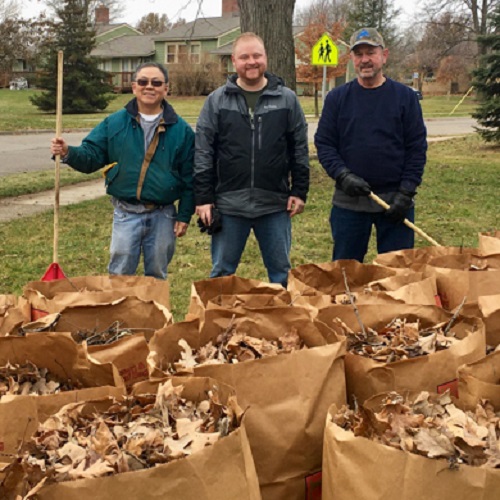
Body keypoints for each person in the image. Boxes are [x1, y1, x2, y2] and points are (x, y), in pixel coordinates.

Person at [50, 62, 194, 279]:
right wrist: (68, 151)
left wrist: (184, 215)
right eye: (143, 82)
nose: (149, 87)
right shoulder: (115, 123)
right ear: (134, 86)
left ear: (166, 89)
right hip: (126, 213)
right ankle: (117, 312)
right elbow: (91, 156)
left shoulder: (182, 131)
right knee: (119, 273)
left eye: (156, 82)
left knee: (156, 274)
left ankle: (153, 313)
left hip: (163, 214)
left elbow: (190, 177)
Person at [194, 32, 309, 287]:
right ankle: (218, 322)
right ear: (234, 61)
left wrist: (299, 191)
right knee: (222, 273)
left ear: (265, 57)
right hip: (229, 204)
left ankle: (282, 324)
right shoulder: (216, 101)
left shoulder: (287, 99)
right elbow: (203, 151)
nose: (251, 61)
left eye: (257, 55)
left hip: (275, 204)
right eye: (244, 57)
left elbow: (299, 148)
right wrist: (203, 198)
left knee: (281, 273)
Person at [314, 27, 427, 262]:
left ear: (383, 55)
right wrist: (342, 175)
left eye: (371, 53)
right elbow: (324, 144)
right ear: (352, 59)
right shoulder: (337, 99)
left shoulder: (405, 97)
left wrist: (406, 192)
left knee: (398, 276)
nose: (365, 60)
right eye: (359, 54)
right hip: (349, 203)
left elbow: (416, 147)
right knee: (346, 273)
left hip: (395, 202)